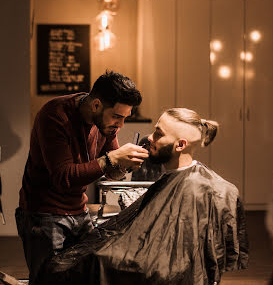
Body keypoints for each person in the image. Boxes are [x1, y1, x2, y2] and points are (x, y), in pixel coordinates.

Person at [37, 107, 249, 285]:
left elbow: (168, 261)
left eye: (158, 133)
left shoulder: (203, 188)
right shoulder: (175, 179)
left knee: (74, 266)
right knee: (66, 263)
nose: (150, 138)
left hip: (159, 271)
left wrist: (104, 257)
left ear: (180, 145)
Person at [15, 70, 149, 285]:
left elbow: (111, 171)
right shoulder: (56, 115)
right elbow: (63, 176)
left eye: (125, 118)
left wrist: (125, 163)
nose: (120, 125)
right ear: (96, 105)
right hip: (43, 214)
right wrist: (113, 157)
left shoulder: (105, 123)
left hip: (79, 210)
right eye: (117, 116)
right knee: (49, 281)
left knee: (86, 276)